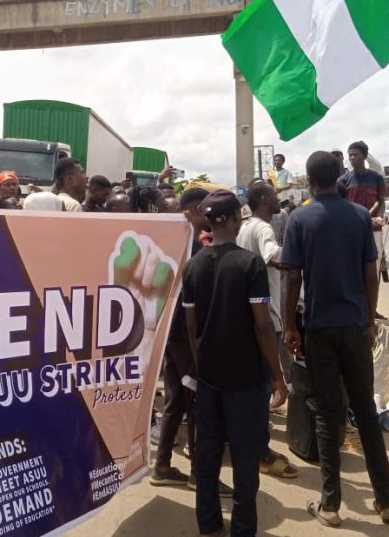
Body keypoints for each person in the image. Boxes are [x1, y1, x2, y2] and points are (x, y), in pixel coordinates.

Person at [281, 151, 389, 528]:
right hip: (355, 326)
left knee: (328, 415)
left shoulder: (299, 218)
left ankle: (330, 504)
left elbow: (292, 277)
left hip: (319, 328)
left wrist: (289, 325)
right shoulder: (360, 216)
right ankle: (387, 503)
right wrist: (370, 320)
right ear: (340, 178)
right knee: (365, 411)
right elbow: (369, 274)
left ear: (309, 180)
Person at [183, 190, 287, 537]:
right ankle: (243, 528)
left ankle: (208, 522)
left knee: (208, 449)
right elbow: (262, 324)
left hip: (209, 377)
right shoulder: (249, 264)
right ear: (232, 219)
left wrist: (201, 363)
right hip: (245, 377)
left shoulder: (193, 265)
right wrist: (278, 375)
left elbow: (192, 326)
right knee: (244, 455)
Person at [150, 188, 214, 490]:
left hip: (170, 333)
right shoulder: (194, 246)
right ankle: (199, 475)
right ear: (197, 210)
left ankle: (162, 465)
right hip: (185, 335)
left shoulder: (174, 243)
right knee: (196, 402)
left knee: (176, 400)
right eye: (207, 209)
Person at [236, 181, 299, 480]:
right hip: (267, 317)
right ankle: (261, 453)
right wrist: (306, 248)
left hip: (248, 315)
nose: (278, 199)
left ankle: (252, 444)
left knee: (254, 386)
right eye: (274, 195)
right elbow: (277, 257)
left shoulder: (245, 227)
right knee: (266, 385)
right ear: (264, 199)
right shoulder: (262, 229)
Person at [339, 141, 387, 303]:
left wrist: (379, 217)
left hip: (373, 229)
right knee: (353, 267)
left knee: (374, 268)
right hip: (352, 229)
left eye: (356, 154)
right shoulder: (344, 180)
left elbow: (381, 201)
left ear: (365, 156)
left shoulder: (376, 178)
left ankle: (372, 307)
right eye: (350, 155)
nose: (352, 158)